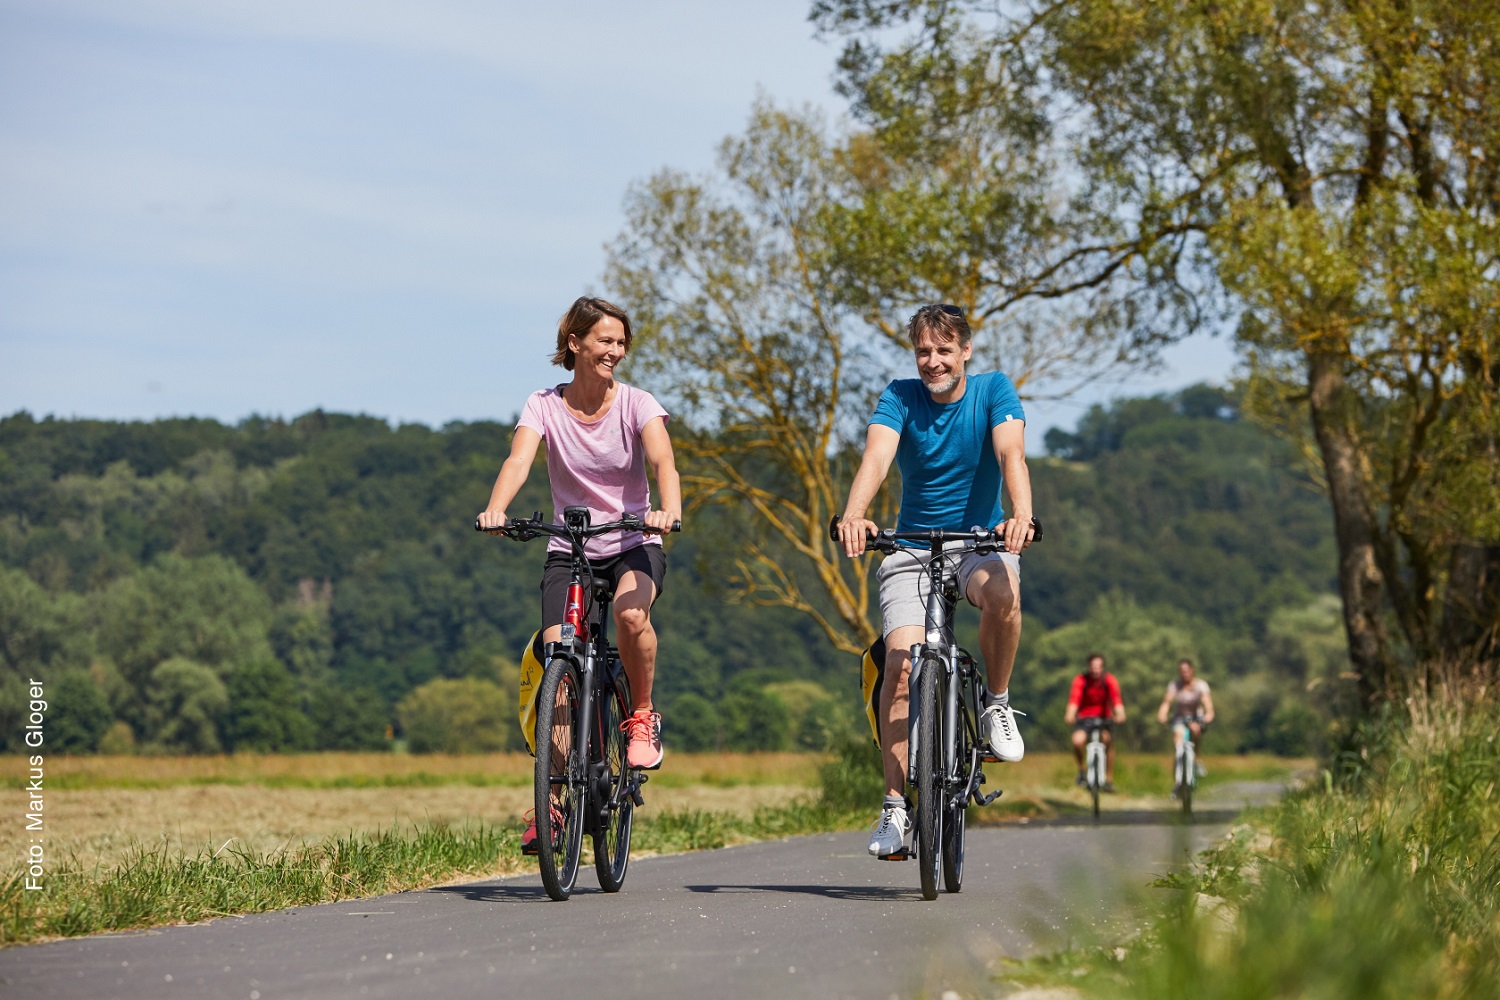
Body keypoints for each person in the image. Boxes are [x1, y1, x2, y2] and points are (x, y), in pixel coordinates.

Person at [477, 296, 682, 850]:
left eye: (621, 342)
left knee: (630, 614)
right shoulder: (543, 405)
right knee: (555, 659)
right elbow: (518, 460)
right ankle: (553, 799)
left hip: (635, 540)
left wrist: (668, 507)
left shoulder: (637, 404)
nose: (615, 351)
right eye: (605, 341)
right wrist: (497, 507)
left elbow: (663, 460)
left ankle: (640, 715)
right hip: (570, 547)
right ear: (575, 343)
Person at [836, 304, 1036, 858]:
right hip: (913, 547)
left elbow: (1010, 451)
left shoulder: (994, 390)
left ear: (965, 351)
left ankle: (995, 702)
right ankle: (896, 808)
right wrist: (856, 514)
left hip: (980, 543)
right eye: (924, 351)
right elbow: (877, 457)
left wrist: (1020, 514)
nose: (933, 361)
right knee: (899, 665)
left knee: (1003, 595)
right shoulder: (899, 396)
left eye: (944, 350)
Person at [1064, 653, 1126, 792]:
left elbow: (1116, 700)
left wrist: (1120, 714)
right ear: (1089, 667)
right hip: (1084, 718)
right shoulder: (1081, 680)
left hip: (1104, 719)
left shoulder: (1109, 680)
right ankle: (1082, 770)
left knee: (1107, 740)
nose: (1096, 670)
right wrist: (1070, 714)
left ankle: (1108, 780)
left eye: (1098, 667)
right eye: (1093, 667)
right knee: (1077, 741)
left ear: (1103, 668)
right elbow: (1074, 700)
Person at [1156, 658, 1214, 777]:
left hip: (1195, 718)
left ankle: (1197, 760)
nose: (1184, 673)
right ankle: (1177, 781)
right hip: (1179, 718)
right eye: (1182, 671)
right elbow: (1167, 702)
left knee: (1195, 731)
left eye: (1186, 670)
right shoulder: (1175, 685)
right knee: (1178, 740)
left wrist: (1208, 715)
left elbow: (1207, 704)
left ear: (1192, 670)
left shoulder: (1200, 685)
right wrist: (1162, 714)